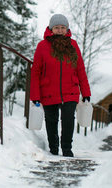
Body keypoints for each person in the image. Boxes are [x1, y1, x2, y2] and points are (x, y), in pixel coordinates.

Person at [30, 14, 91, 157]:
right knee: (51, 120)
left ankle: (67, 149)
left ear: (67, 29)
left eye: (63, 27)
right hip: (48, 90)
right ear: (51, 29)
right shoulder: (42, 46)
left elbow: (80, 69)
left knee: (68, 119)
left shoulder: (73, 45)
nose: (60, 30)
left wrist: (86, 92)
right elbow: (35, 72)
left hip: (70, 90)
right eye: (57, 27)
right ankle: (53, 149)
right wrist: (35, 96)